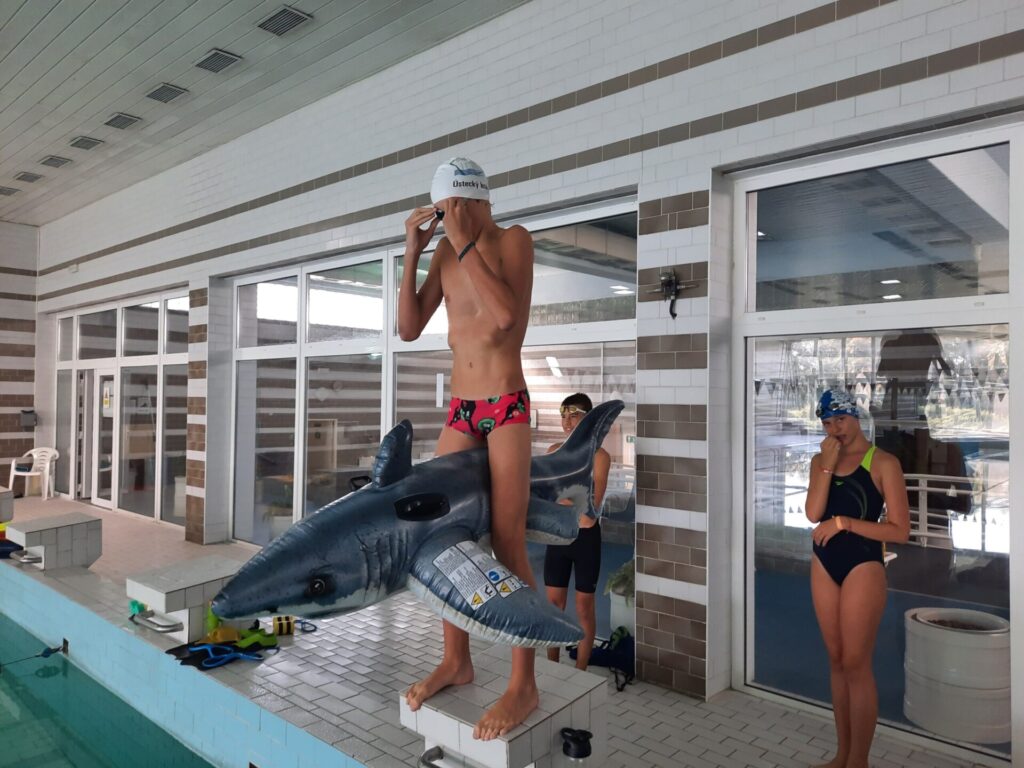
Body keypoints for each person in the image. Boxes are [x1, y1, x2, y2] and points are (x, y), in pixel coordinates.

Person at [399, 158, 538, 740]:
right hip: (461, 408)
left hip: (505, 406)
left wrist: (462, 244)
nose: (448, 219)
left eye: (453, 209)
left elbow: (506, 318)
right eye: (440, 213)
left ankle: (524, 681)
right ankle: (456, 660)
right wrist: (413, 252)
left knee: (507, 540)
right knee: (440, 535)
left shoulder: (513, 241)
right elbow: (409, 329)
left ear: (477, 201)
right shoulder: (444, 253)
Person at [805, 389, 910, 768]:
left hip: (863, 564)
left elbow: (900, 531)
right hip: (824, 562)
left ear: (857, 417)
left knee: (855, 662)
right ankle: (842, 755)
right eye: (827, 423)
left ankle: (859, 762)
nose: (835, 428)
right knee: (836, 660)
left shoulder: (883, 462)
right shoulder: (820, 460)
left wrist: (845, 523)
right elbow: (813, 512)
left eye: (841, 419)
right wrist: (827, 465)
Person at [543, 393, 610, 670]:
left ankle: (580, 671)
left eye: (574, 415)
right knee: (553, 605)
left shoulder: (599, 456)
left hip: (585, 539)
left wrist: (561, 498)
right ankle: (552, 666)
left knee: (584, 607)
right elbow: (546, 496)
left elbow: (591, 506)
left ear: (589, 420)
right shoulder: (553, 451)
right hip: (558, 536)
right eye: (563, 416)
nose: (567, 421)